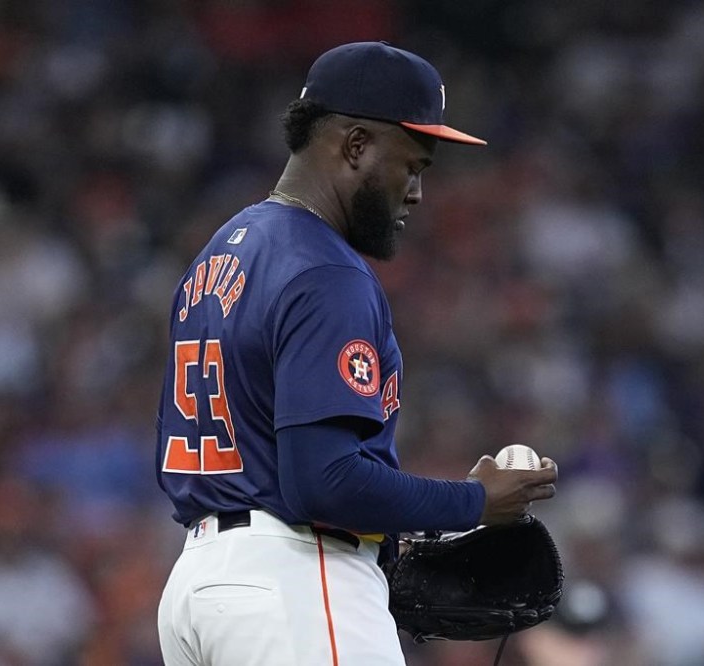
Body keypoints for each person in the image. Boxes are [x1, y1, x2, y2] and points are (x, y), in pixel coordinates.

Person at [155, 41, 558, 666]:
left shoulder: (224, 250)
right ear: (355, 146)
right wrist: (475, 502)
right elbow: (324, 481)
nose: (417, 193)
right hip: (294, 580)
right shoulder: (325, 270)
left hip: (198, 590)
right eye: (412, 165)